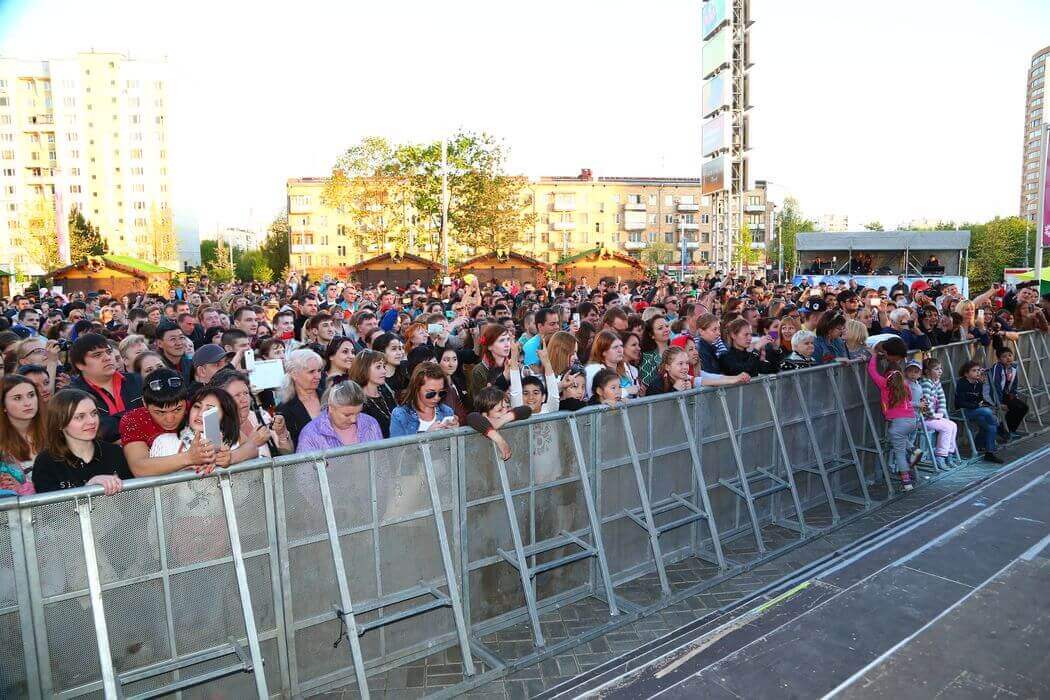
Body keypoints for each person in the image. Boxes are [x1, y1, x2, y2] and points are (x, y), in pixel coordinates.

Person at [32, 388, 132, 494]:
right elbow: (48, 509)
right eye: (80, 417)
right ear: (60, 423)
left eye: (94, 413)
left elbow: (136, 502)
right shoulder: (46, 461)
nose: (91, 421)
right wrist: (88, 488)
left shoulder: (115, 453)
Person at [69, 333, 144, 443]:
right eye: (97, 355)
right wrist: (138, 419)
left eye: (109, 352)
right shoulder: (73, 395)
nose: (107, 357)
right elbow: (96, 430)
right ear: (80, 364)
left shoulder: (138, 381)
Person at [868, 338, 919, 490]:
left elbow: (871, 371)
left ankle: (906, 482)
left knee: (899, 453)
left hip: (898, 423)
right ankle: (915, 450)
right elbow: (909, 398)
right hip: (911, 420)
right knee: (901, 440)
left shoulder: (884, 384)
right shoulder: (904, 385)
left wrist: (873, 356)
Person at [211, 368, 293, 458]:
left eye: (246, 393)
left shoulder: (260, 417)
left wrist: (282, 434)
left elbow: (288, 455)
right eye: (237, 395)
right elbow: (220, 467)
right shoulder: (213, 429)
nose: (244, 399)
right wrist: (252, 444)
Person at [296, 380, 383, 453]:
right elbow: (305, 472)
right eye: (347, 415)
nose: (354, 419)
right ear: (331, 408)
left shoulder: (371, 423)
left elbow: (382, 462)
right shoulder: (311, 433)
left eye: (358, 413)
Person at [0, 375, 46, 495]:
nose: (27, 403)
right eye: (17, 398)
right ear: (3, 406)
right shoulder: (2, 447)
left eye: (31, 395)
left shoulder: (55, 434)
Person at [389, 362, 459, 437]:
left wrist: (456, 433)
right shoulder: (400, 415)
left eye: (441, 393)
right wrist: (426, 436)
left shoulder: (447, 411)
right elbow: (398, 448)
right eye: (431, 393)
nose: (437, 398)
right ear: (416, 388)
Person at [918, 358, 962, 469]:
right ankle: (940, 457)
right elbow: (925, 402)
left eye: (940, 368)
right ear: (928, 371)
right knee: (946, 428)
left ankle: (949, 454)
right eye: (936, 369)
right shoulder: (926, 383)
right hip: (922, 418)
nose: (940, 371)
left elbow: (942, 398)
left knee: (953, 425)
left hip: (932, 417)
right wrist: (933, 415)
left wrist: (941, 412)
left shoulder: (936, 382)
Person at [955, 360, 1002, 463]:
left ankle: (989, 453)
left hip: (977, 410)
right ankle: (1000, 428)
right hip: (965, 411)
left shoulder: (978, 383)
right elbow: (960, 402)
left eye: (978, 370)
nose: (978, 372)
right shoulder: (962, 383)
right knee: (987, 413)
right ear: (966, 374)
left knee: (991, 427)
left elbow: (980, 399)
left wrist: (982, 404)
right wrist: (977, 405)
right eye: (974, 370)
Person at [277, 348, 324, 448]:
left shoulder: (329, 396)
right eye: (311, 372)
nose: (318, 376)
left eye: (319, 371)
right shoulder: (284, 409)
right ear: (294, 374)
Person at [348, 349, 398, 438]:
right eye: (378, 367)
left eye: (384, 366)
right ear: (364, 369)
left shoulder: (387, 394)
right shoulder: (357, 402)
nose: (384, 371)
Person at [988, 346, 1028, 439]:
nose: (1008, 358)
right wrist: (998, 403)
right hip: (993, 396)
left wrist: (1015, 396)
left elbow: (1014, 385)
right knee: (1014, 407)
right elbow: (995, 386)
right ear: (999, 359)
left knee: (1024, 407)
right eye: (1004, 356)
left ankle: (1009, 429)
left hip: (1006, 395)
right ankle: (1004, 430)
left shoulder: (1013, 368)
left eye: (1010, 355)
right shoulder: (997, 367)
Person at [639, 315, 672, 388]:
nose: (666, 329)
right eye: (660, 328)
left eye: (667, 326)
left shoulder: (677, 350)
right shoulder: (647, 358)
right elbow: (648, 386)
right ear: (652, 335)